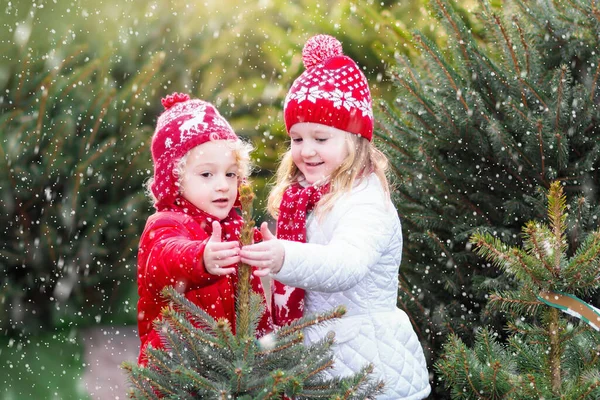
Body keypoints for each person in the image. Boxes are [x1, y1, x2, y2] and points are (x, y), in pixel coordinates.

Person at [240, 35, 431, 399]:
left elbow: (347, 264)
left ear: (354, 139)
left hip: (367, 368)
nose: (306, 150)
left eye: (320, 138)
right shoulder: (304, 199)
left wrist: (284, 257)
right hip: (322, 359)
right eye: (296, 139)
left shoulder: (365, 199)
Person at [136, 92, 272, 365]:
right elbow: (164, 258)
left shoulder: (239, 228)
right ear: (175, 179)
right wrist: (199, 257)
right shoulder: (166, 223)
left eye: (230, 173)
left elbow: (257, 306)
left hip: (234, 370)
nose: (222, 184)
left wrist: (274, 252)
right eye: (207, 174)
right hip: (180, 369)